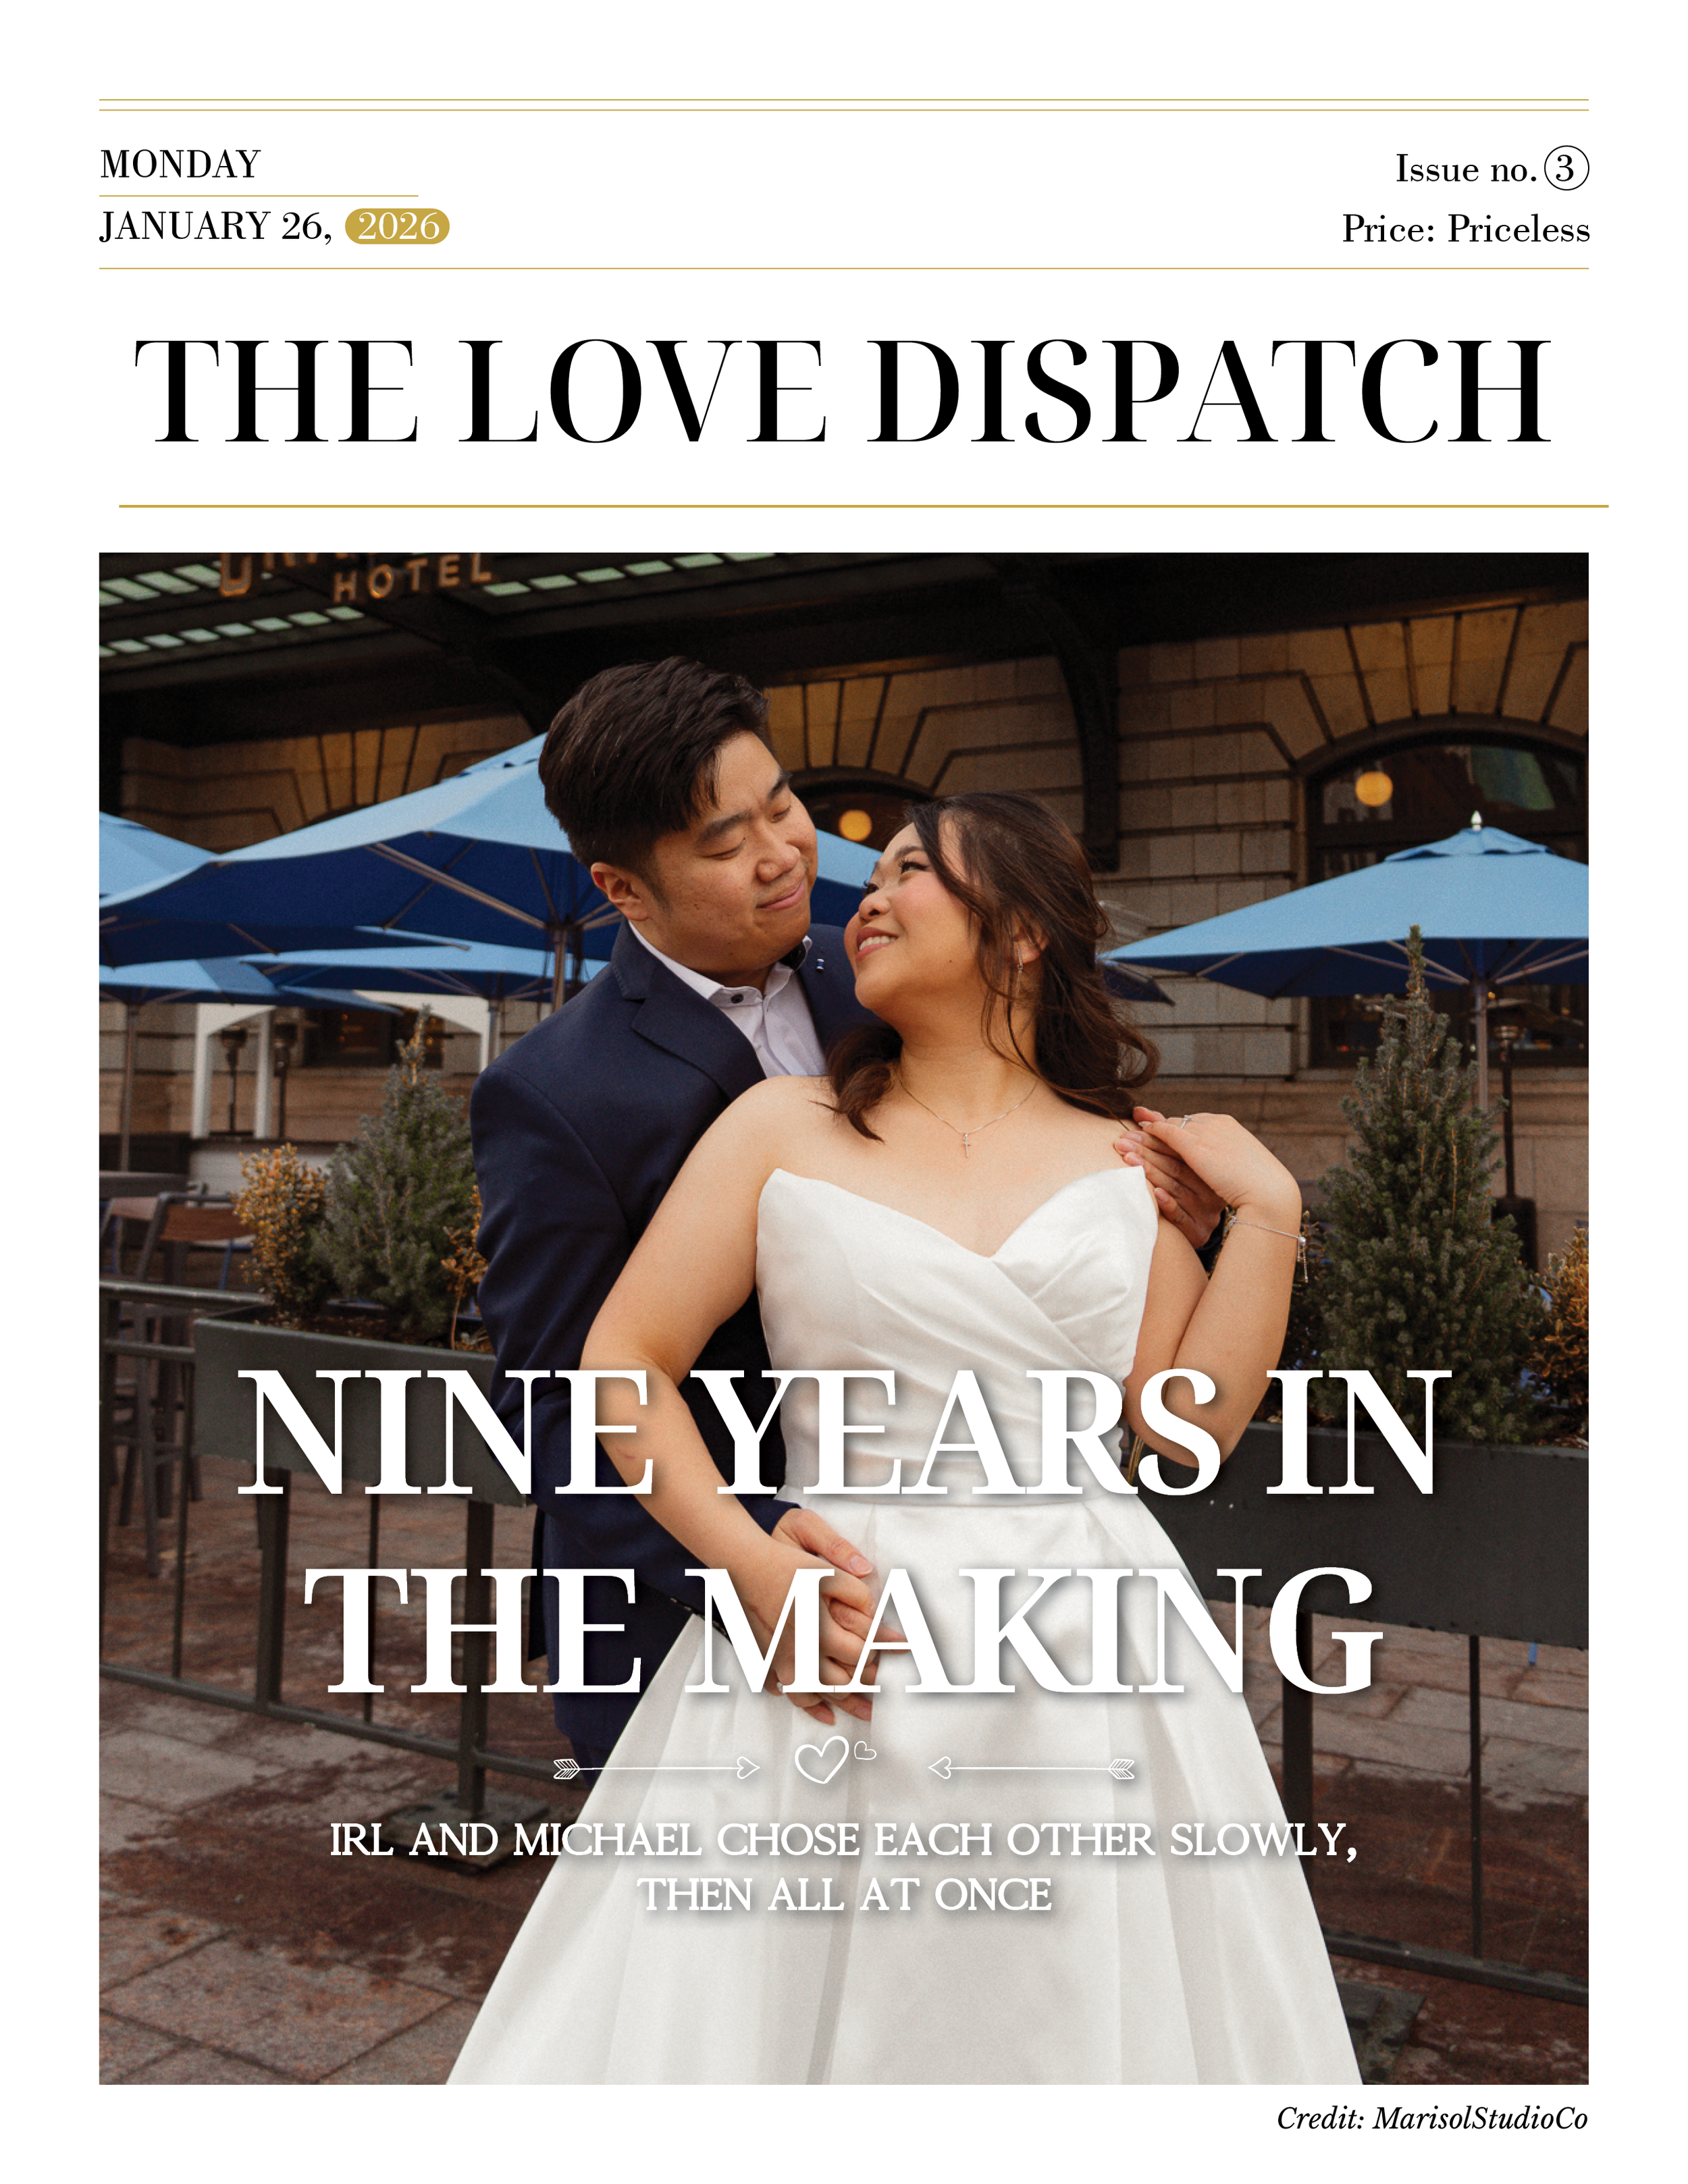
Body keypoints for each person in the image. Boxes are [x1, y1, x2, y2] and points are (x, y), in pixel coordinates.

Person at [451, 789, 1359, 2084]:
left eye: (913, 870)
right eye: (866, 874)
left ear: (1027, 928)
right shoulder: (782, 1126)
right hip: (837, 1626)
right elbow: (623, 1363)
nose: (861, 897)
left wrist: (1267, 1208)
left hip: (1087, 1645)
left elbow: (1187, 1429)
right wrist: (745, 1558)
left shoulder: (1128, 1159)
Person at [472, 660, 1220, 1772]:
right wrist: (755, 1568)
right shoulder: (554, 1090)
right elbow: (555, 1403)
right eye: (726, 846)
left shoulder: (881, 964)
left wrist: (1163, 1212)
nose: (782, 854)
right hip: (694, 1606)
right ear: (625, 888)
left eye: (782, 804)